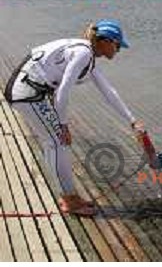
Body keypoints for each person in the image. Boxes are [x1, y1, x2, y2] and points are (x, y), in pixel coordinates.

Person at [3, 19, 144, 216]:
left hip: (31, 91)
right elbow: (63, 92)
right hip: (26, 92)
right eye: (118, 45)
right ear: (106, 41)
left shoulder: (87, 53)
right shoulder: (83, 53)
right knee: (57, 141)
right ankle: (69, 200)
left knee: (55, 142)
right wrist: (63, 124)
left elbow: (108, 91)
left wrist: (132, 121)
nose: (118, 50)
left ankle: (69, 195)